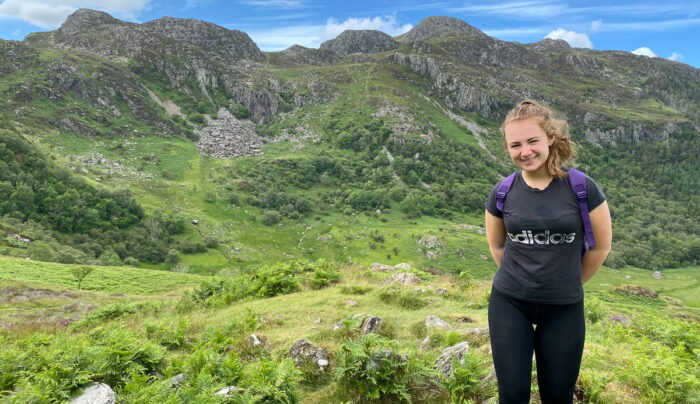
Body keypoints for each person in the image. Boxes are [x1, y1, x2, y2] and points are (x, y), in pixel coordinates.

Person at [484, 100, 612, 403]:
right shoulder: (502, 191)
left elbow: (600, 246)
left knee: (558, 396)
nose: (525, 151)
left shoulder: (582, 187)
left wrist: (568, 281)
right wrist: (522, 279)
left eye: (532, 141)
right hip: (510, 302)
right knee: (512, 395)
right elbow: (497, 245)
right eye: (515, 145)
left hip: (563, 307)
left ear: (550, 138)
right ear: (507, 148)